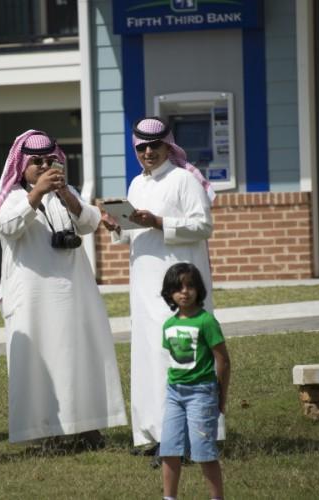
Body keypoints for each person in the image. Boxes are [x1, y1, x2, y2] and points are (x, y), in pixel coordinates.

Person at [0, 130, 127, 446]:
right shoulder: (11, 198)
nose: (44, 165)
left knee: (80, 358)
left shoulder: (66, 193)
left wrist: (66, 195)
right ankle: (46, 432)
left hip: (74, 293)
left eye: (49, 160)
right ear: (21, 165)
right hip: (32, 298)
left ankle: (87, 426)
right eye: (36, 161)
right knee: (41, 364)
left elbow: (90, 223)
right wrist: (36, 192)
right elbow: (9, 226)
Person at [101, 116, 216, 457]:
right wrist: (115, 225)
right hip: (144, 285)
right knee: (149, 357)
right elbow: (132, 234)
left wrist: (159, 222)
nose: (148, 153)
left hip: (178, 284)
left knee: (177, 357)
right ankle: (156, 435)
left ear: (169, 146)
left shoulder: (183, 179)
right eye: (141, 147)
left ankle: (183, 440)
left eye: (154, 146)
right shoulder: (136, 184)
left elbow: (203, 226)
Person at [159, 262, 230, 500]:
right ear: (169, 293)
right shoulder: (169, 325)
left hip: (201, 393)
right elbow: (173, 361)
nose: (185, 291)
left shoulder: (206, 322)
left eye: (190, 286)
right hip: (174, 394)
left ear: (198, 289)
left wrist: (221, 396)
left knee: (203, 451)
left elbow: (223, 361)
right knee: (168, 449)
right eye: (178, 287)